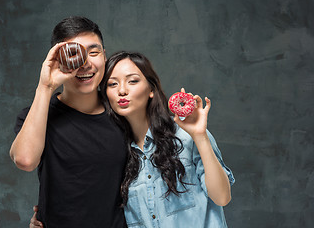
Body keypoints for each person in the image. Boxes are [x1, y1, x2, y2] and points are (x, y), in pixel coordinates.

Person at [31, 51, 235, 227]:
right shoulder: (118, 155)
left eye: (133, 81)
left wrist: (200, 136)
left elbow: (222, 197)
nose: (122, 90)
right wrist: (45, 218)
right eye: (112, 84)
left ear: (151, 90)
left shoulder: (185, 136)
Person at [10, 17, 128, 228]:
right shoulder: (38, 115)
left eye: (94, 53)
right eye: (75, 54)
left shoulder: (123, 113)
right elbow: (25, 160)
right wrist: (45, 86)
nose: (85, 64)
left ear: (104, 55)